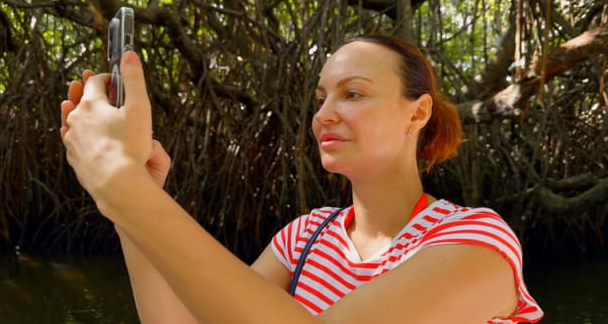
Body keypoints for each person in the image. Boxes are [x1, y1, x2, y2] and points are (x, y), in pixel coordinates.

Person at [60, 34, 544, 323]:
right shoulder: (305, 236)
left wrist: (119, 185)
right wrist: (133, 198)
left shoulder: (476, 241)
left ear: (417, 113)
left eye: (353, 94)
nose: (324, 115)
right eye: (321, 98)